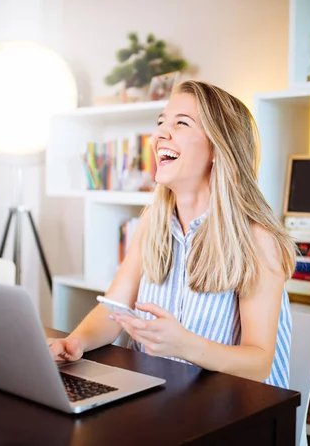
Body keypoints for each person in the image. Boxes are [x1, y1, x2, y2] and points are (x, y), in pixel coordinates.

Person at [48, 80, 297, 389]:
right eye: (161, 122)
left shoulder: (257, 239)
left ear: (218, 148)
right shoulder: (153, 222)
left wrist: (184, 345)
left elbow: (259, 362)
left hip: (231, 409)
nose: (160, 133)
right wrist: (76, 343)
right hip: (160, 396)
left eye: (181, 123)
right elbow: (114, 309)